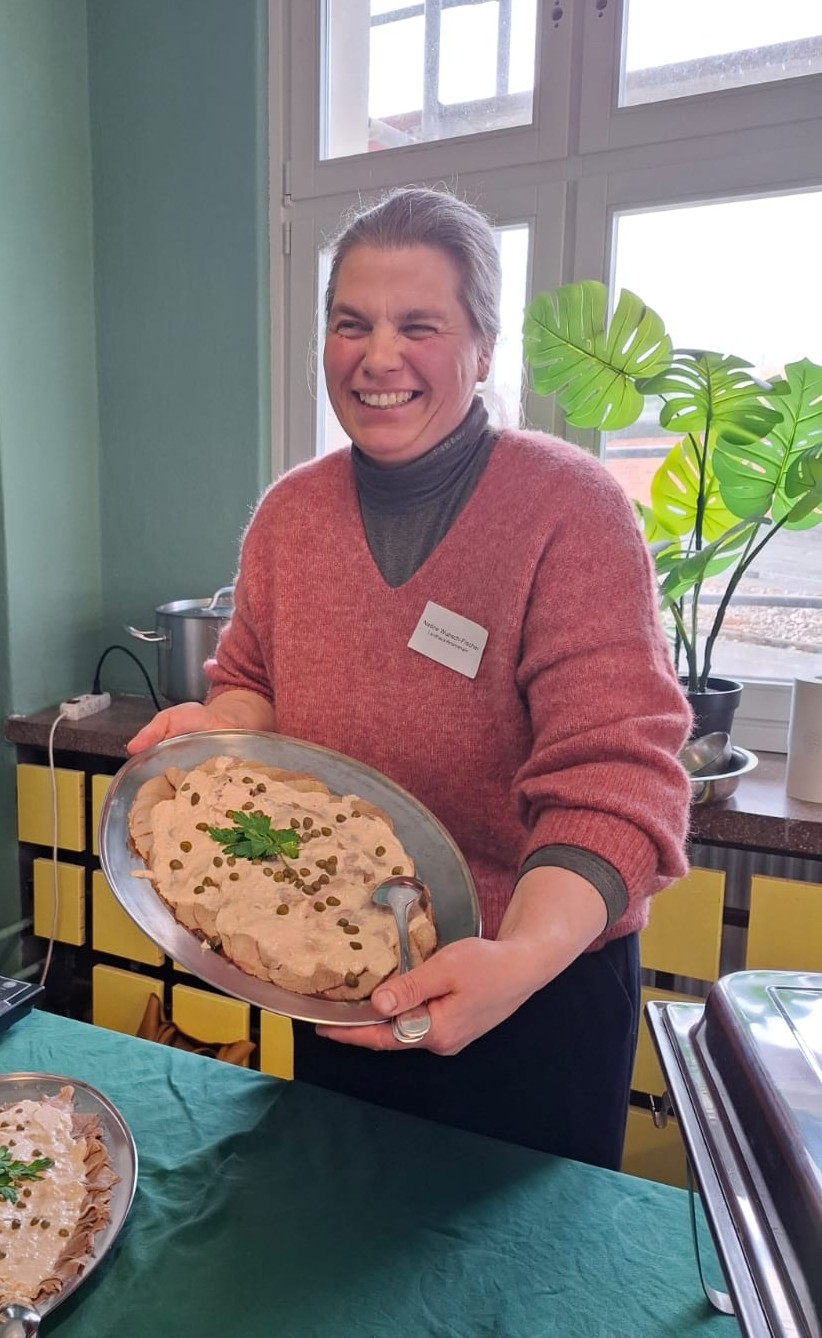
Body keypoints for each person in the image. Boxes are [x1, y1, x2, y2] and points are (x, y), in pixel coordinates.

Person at [128, 186, 692, 1169]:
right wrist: (220, 735)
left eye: (418, 326)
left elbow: (613, 781)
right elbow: (254, 683)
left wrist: (517, 959)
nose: (378, 357)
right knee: (344, 1222)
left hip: (531, 995)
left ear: (483, 348)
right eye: (352, 324)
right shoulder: (291, 518)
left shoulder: (569, 511)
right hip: (334, 966)